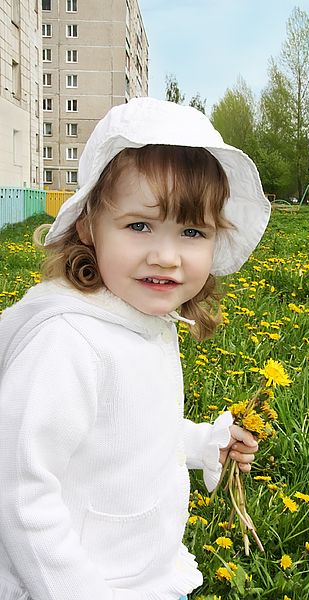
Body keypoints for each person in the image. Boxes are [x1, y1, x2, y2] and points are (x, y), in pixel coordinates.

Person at [0, 98, 271, 600]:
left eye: (192, 232)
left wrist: (203, 444)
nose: (165, 256)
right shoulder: (68, 342)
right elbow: (18, 492)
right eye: (139, 226)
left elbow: (130, 433)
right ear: (87, 225)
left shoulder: (142, 319)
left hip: (137, 570)